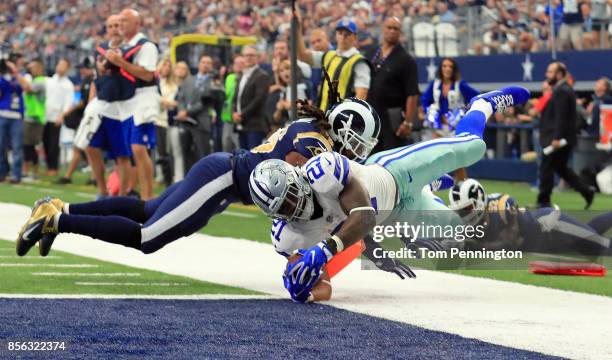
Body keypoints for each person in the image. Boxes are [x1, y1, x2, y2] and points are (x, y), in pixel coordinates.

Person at [248, 86, 530, 303]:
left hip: (394, 174)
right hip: (396, 213)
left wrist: (325, 250)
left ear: (296, 178)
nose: (293, 206)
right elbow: (324, 286)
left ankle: (482, 104)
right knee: (461, 232)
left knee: (471, 148)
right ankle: (433, 186)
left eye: (291, 195)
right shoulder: (286, 237)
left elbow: (364, 217)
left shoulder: (322, 170)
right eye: (283, 207)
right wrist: (305, 292)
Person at [15, 94, 376, 261]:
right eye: (358, 143)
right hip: (225, 177)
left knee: (146, 209)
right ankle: (57, 221)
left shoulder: (315, 132)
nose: (358, 153)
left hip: (224, 176)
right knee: (148, 237)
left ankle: (61, 206)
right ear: (343, 128)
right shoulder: (314, 144)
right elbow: (294, 191)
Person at [446, 179, 611, 256]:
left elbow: (511, 244)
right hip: (543, 245)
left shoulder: (502, 206)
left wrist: (473, 247)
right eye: (460, 211)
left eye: (467, 208)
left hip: (551, 228)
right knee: (591, 234)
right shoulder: (471, 225)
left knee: (602, 248)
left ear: (479, 200)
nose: (464, 215)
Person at [109, 8, 160, 200]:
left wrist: (120, 62)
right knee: (130, 149)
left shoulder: (145, 45)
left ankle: (147, 197)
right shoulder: (124, 45)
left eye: (125, 21)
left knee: (139, 148)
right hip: (127, 100)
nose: (120, 25)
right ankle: (129, 192)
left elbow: (147, 74)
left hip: (144, 97)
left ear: (137, 24)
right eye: (119, 21)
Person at [536, 62, 595, 209]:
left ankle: (543, 201)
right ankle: (586, 191)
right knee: (561, 168)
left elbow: (561, 117)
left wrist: (556, 138)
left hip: (557, 139)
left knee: (547, 167)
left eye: (550, 72)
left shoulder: (561, 90)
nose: (546, 75)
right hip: (562, 137)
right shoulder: (563, 89)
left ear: (559, 74)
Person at [86, 14, 132, 198]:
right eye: (111, 25)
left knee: (121, 155)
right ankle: (103, 191)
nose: (114, 29)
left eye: (117, 25)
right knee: (90, 147)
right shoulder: (100, 48)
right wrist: (91, 101)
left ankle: (121, 196)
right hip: (102, 105)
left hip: (122, 106)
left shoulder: (130, 48)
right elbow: (96, 79)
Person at [421, 58, 479, 180]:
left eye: (450, 66)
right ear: (441, 68)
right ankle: (432, 188)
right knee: (434, 157)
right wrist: (429, 112)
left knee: (457, 161)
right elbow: (425, 99)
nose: (447, 69)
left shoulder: (460, 85)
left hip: (454, 127)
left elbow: (476, 96)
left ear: (454, 69)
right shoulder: (435, 84)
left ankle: (464, 188)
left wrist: (465, 110)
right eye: (444, 66)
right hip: (438, 128)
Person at [296, 15, 370, 111]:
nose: (343, 37)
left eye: (347, 34)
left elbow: (361, 94)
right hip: (323, 115)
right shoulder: (329, 55)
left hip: (342, 119)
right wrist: (297, 28)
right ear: (336, 36)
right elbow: (303, 56)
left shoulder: (359, 62)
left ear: (354, 37)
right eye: (340, 33)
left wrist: (349, 117)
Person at [368, 17, 420, 153]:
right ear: (382, 29)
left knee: (391, 162)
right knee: (370, 163)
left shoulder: (406, 60)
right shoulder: (372, 53)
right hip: (371, 118)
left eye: (395, 29)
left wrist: (408, 122)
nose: (392, 31)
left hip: (392, 121)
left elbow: (412, 94)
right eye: (389, 27)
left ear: (400, 32)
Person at [56, 57, 95, 184]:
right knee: (85, 148)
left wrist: (66, 113)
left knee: (81, 147)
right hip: (86, 118)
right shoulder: (88, 80)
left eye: (83, 68)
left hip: (87, 119)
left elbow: (83, 102)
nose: (81, 71)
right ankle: (91, 177)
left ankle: (69, 176)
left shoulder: (90, 80)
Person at [233, 46, 271, 150]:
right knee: (243, 158)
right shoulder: (241, 75)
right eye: (246, 55)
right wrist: (234, 112)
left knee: (253, 158)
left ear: (257, 58)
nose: (248, 58)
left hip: (255, 125)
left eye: (251, 55)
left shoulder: (262, 75)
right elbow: (236, 98)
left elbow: (259, 99)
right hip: (241, 124)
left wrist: (242, 114)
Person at [44, 58, 74, 177]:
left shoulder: (68, 85)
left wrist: (62, 116)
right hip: (45, 115)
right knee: (45, 142)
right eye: (59, 64)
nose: (60, 67)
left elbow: (68, 103)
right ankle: (48, 166)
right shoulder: (49, 81)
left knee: (53, 144)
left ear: (67, 69)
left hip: (57, 116)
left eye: (63, 65)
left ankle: (54, 167)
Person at [18, 59, 46, 182]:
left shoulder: (40, 82)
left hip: (36, 118)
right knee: (27, 145)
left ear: (39, 69)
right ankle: (27, 171)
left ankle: (34, 173)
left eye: (33, 67)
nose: (30, 70)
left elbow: (27, 88)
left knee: (32, 146)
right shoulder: (35, 80)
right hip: (30, 116)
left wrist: (16, 73)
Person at [0, 58, 25, 183]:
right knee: (1, 146)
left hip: (16, 117)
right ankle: (2, 173)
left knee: (17, 147)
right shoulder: (2, 79)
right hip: (3, 114)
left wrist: (15, 72)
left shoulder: (22, 77)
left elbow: (26, 87)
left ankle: (16, 175)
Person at [156, 57, 178, 186]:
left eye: (169, 66)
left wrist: (160, 101)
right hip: (153, 118)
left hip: (165, 121)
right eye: (164, 65)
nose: (166, 68)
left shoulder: (173, 85)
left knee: (164, 151)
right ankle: (159, 176)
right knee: (154, 151)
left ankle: (167, 178)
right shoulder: (155, 82)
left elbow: (173, 103)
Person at [167, 61, 189, 182]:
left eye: (183, 68)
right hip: (165, 121)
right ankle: (168, 176)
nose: (180, 70)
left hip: (179, 123)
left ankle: (179, 178)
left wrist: (170, 103)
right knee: (167, 152)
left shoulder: (187, 86)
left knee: (178, 152)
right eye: (178, 68)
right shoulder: (169, 84)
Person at [272, 60, 310, 127]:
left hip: (305, 124)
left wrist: (289, 105)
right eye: (281, 71)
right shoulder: (284, 92)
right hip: (291, 126)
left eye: (287, 68)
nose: (285, 72)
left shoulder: (304, 85)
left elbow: (310, 105)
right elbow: (276, 118)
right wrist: (279, 109)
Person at [220, 55, 243, 153]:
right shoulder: (229, 77)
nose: (238, 65)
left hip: (239, 115)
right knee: (226, 142)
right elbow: (226, 94)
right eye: (236, 63)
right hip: (227, 116)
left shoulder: (245, 77)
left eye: (240, 63)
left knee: (238, 145)